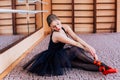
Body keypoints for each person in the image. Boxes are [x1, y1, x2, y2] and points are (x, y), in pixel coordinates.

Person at [23, 14, 118, 76]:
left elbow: (76, 38)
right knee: (76, 52)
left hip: (61, 53)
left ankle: (104, 68)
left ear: (60, 20)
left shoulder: (65, 27)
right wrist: (90, 50)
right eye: (54, 27)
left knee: (79, 59)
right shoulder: (57, 35)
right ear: (50, 27)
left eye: (58, 24)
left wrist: (89, 47)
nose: (57, 27)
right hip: (55, 58)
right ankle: (103, 66)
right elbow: (76, 43)